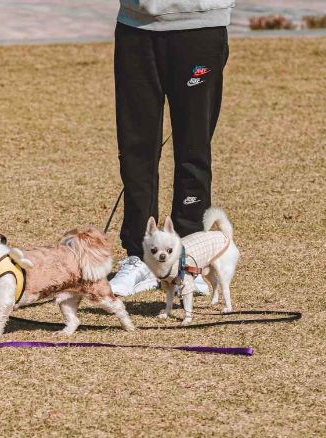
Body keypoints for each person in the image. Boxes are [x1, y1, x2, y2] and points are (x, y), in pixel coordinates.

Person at [108, 0, 232, 296]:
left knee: (193, 148)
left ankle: (189, 257)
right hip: (136, 26)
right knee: (136, 150)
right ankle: (140, 255)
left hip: (201, 25)